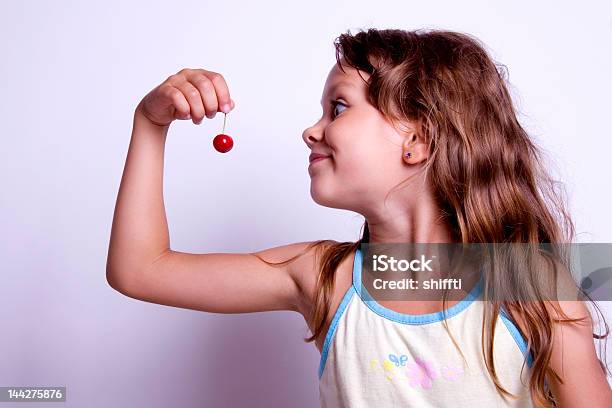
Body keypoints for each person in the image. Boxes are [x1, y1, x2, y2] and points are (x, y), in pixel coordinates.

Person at [106, 28, 612, 407]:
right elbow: (140, 269)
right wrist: (150, 123)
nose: (312, 129)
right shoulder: (325, 277)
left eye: (339, 108)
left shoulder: (534, 289)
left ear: (416, 140)